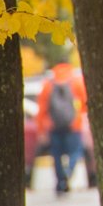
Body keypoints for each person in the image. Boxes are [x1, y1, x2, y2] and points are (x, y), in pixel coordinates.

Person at [35, 63, 90, 196]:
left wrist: (42, 129)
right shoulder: (76, 82)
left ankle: (60, 182)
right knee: (76, 151)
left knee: (56, 154)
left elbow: (42, 109)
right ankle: (68, 172)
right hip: (73, 125)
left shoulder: (48, 85)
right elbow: (84, 104)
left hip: (53, 126)